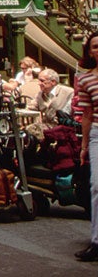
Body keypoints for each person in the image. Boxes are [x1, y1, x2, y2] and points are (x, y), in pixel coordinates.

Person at [75, 31, 98, 262]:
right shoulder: (86, 79)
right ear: (89, 52)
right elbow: (87, 115)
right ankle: (96, 241)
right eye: (95, 47)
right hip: (97, 135)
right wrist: (83, 146)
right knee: (96, 185)